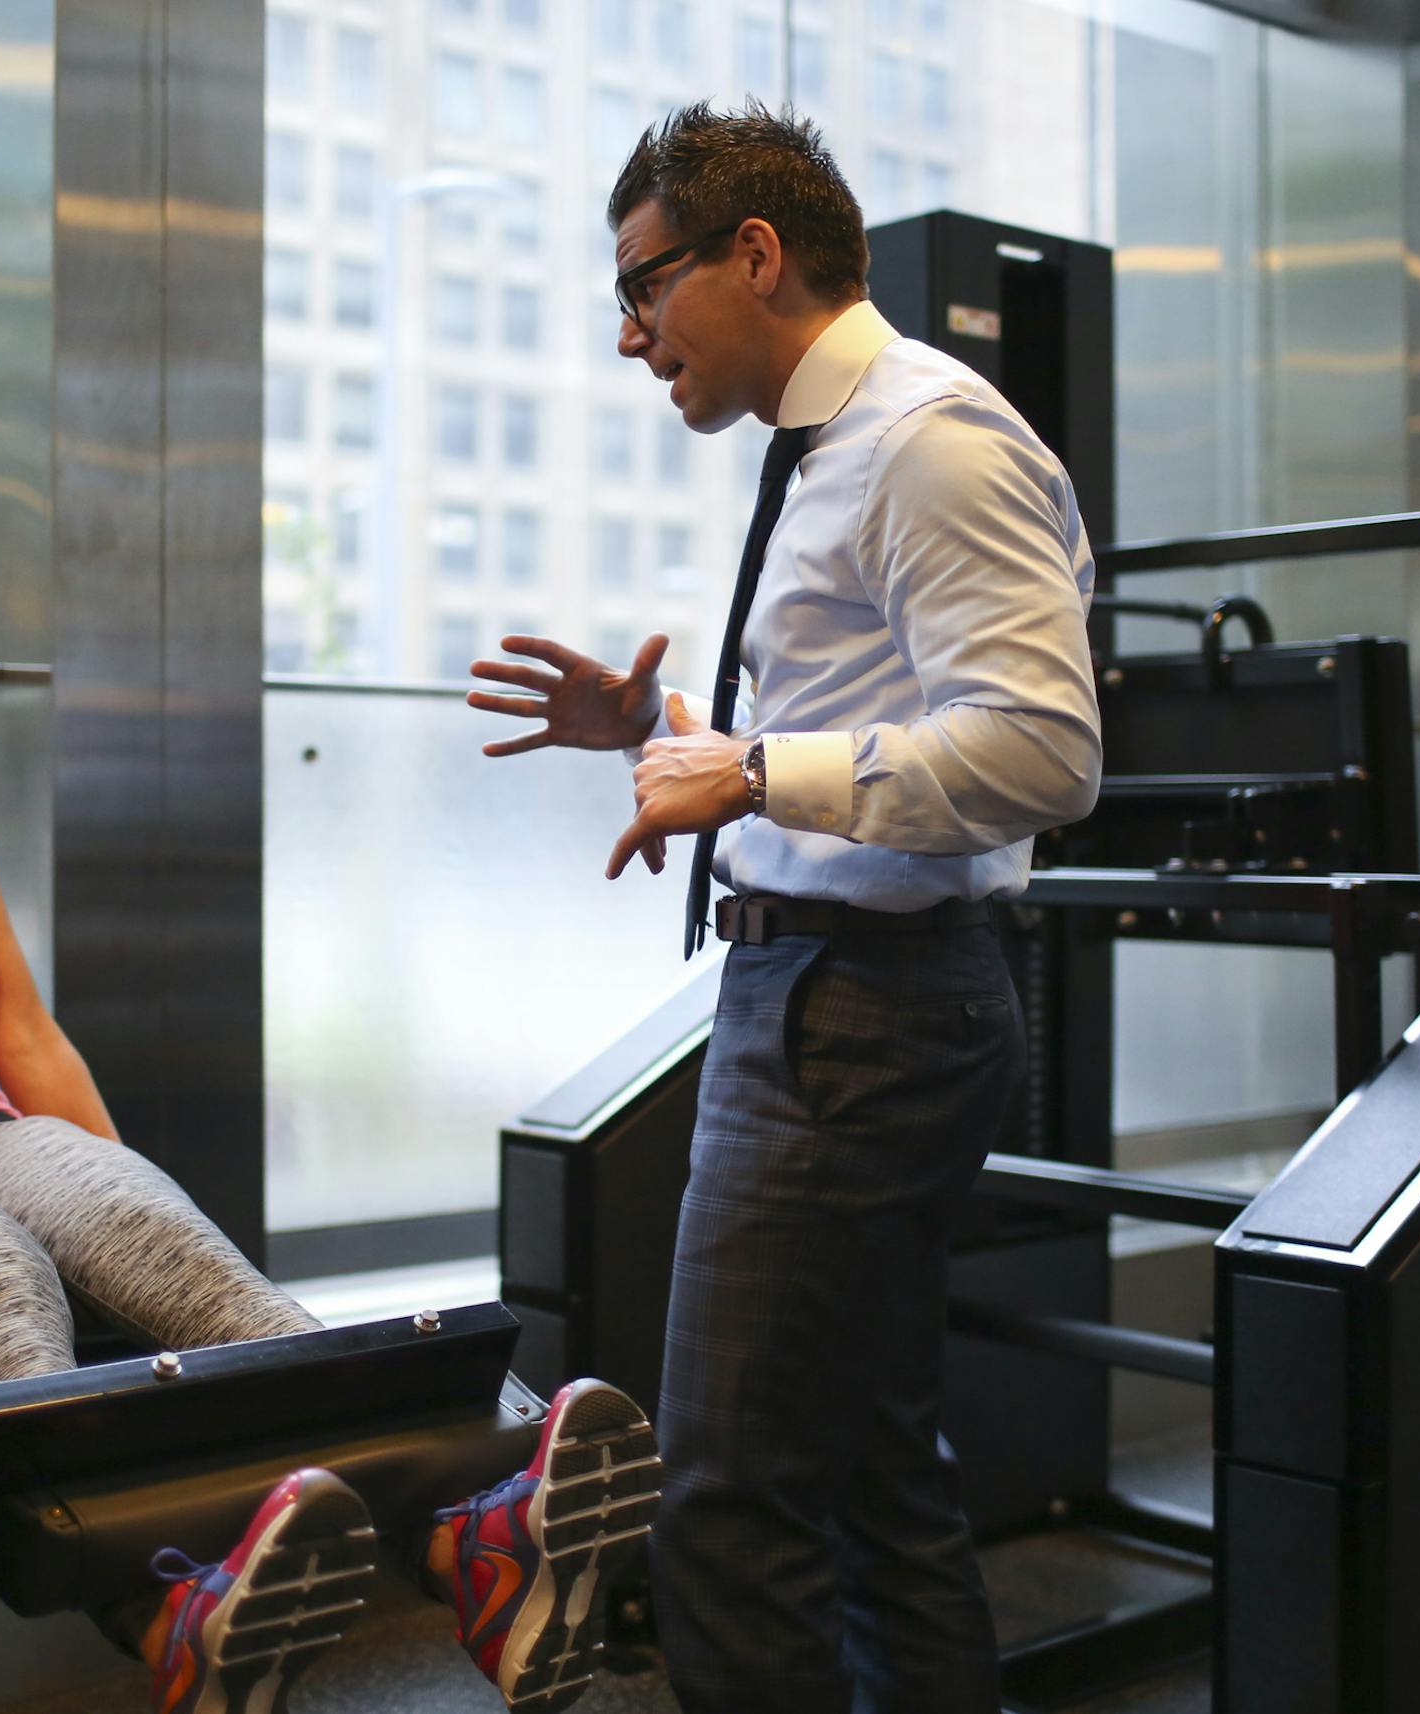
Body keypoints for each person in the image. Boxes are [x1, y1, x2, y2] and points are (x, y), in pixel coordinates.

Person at [0, 477, 663, 1714]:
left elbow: (19, 1025)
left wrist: (113, 1186)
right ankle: (160, 1611)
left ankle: (465, 1542)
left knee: (181, 1258)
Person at [468, 105, 1100, 1714]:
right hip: (839, 990)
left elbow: (1043, 749)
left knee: (734, 1504)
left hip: (864, 1007)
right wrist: (667, 741)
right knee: (880, 1483)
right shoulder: (836, 445)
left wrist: (748, 771)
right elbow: (872, 733)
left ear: (754, 254)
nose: (629, 334)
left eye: (645, 283)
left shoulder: (929, 441)